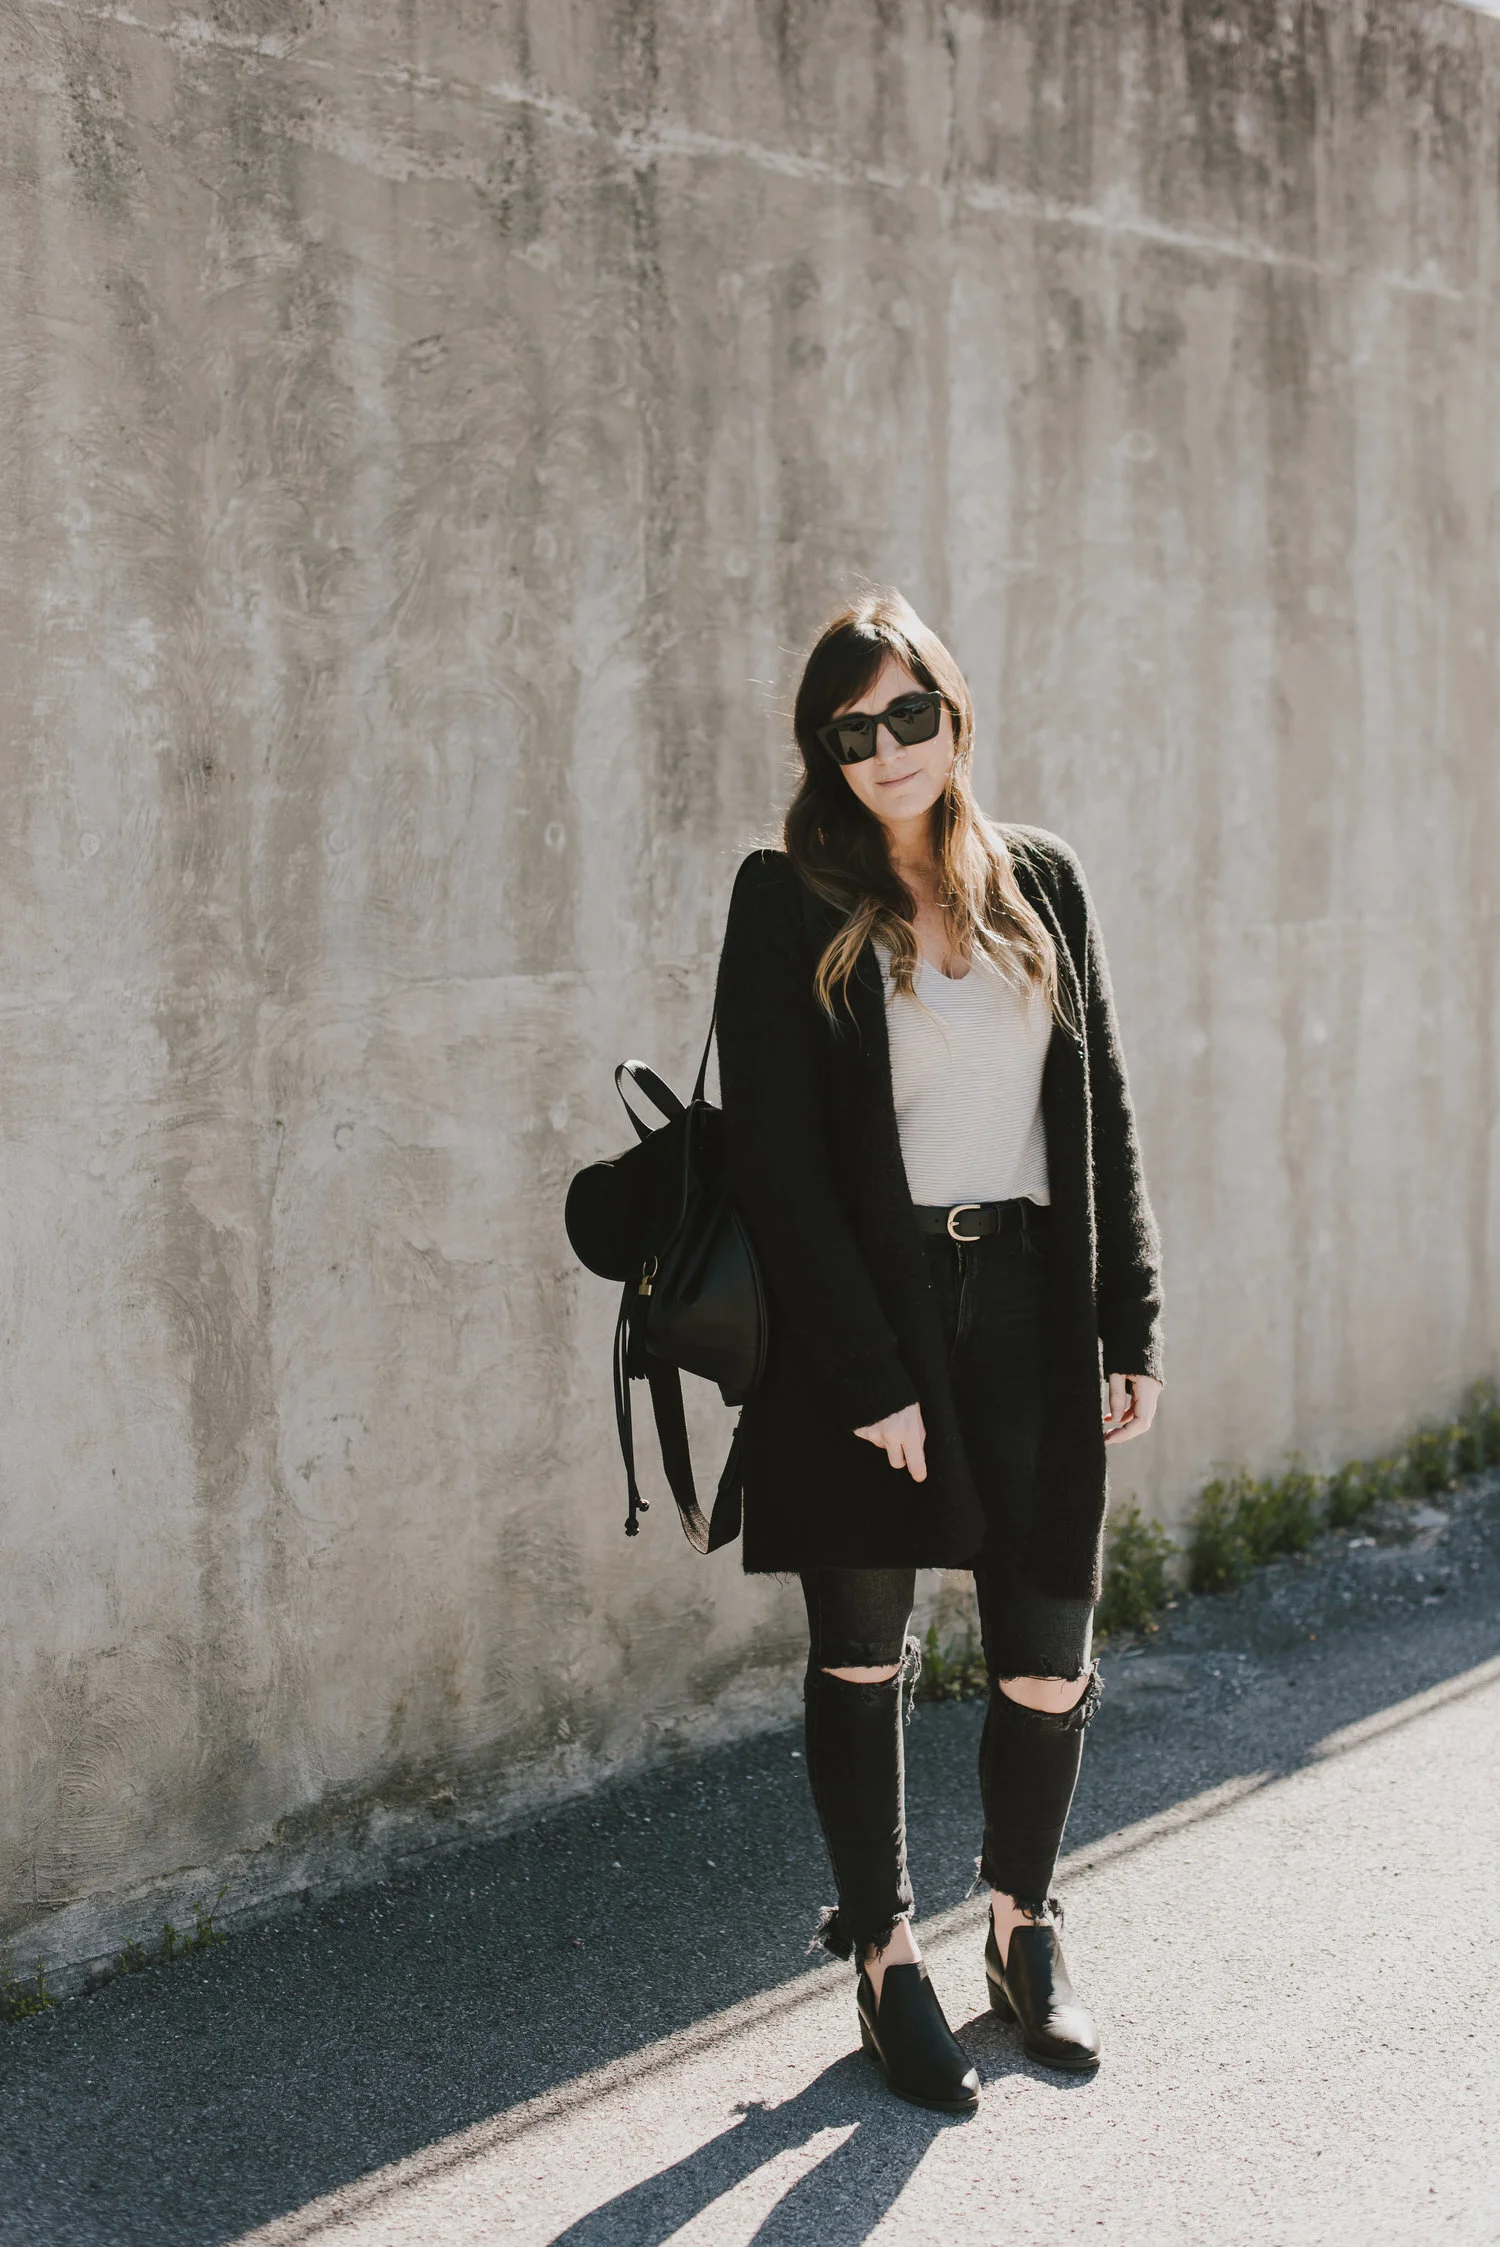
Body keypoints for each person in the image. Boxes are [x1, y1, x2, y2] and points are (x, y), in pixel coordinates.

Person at [712, 590, 1164, 2114]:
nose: (890, 747)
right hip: (871, 1317)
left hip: (1033, 1301)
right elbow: (776, 1161)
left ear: (955, 716)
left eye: (913, 714)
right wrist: (866, 1376)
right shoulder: (786, 901)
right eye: (857, 728)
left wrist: (1132, 1316)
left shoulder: (1044, 882)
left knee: (1049, 1651)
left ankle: (1023, 1926)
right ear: (826, 751)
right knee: (862, 1645)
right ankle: (888, 1949)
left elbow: (1099, 1106)